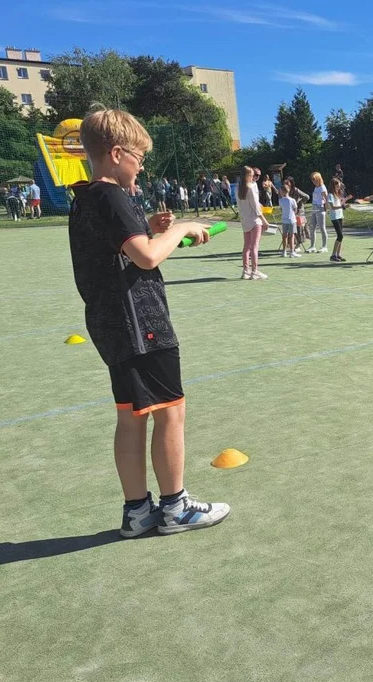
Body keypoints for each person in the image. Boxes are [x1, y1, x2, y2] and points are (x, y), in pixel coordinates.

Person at [68, 108, 229, 537]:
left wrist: (151, 226)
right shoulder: (111, 195)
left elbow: (124, 246)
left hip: (112, 324)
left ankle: (138, 512)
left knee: (131, 415)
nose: (141, 166)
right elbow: (147, 256)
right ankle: (176, 507)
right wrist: (181, 230)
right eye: (138, 158)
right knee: (171, 412)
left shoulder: (84, 197)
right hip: (141, 324)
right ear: (117, 153)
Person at [237, 165, 270, 279]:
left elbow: (242, 207)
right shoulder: (250, 188)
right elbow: (256, 208)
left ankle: (246, 271)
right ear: (247, 176)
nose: (253, 177)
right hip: (254, 221)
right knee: (254, 247)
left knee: (246, 247)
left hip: (245, 221)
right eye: (251, 175)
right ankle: (255, 272)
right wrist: (265, 221)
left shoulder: (238, 188)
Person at [328, 177, 351, 262]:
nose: (338, 187)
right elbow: (332, 207)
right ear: (333, 186)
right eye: (337, 186)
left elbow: (340, 204)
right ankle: (333, 255)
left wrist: (345, 202)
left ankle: (338, 254)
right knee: (340, 236)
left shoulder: (337, 194)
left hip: (340, 216)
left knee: (341, 236)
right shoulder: (330, 195)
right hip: (334, 217)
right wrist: (341, 206)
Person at [307, 171, 330, 254]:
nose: (313, 181)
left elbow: (327, 200)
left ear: (318, 179)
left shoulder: (322, 188)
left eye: (314, 179)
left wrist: (326, 210)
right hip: (314, 207)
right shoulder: (316, 188)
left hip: (320, 208)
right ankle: (312, 246)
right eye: (312, 180)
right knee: (312, 226)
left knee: (322, 227)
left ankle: (324, 246)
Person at [278, 183, 301, 258]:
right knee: (291, 236)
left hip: (285, 220)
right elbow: (295, 210)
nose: (280, 193)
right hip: (291, 220)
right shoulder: (292, 200)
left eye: (281, 191)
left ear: (283, 192)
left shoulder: (280, 201)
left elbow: (282, 209)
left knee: (285, 236)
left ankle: (284, 251)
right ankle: (291, 252)